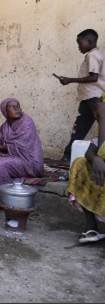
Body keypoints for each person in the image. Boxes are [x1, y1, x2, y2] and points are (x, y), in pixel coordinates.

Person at [0, 98, 44, 203]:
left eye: (18, 106)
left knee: (1, 166)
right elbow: (5, 148)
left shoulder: (27, 122)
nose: (17, 109)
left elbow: (18, 147)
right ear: (5, 111)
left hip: (29, 162)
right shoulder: (4, 127)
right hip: (12, 157)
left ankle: (8, 199)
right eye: (13, 107)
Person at [52, 29, 104, 167]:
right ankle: (67, 158)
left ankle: (98, 158)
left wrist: (70, 80)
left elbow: (93, 77)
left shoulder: (93, 55)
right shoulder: (91, 55)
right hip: (87, 99)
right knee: (78, 130)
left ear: (90, 41)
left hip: (95, 99)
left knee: (100, 128)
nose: (79, 47)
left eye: (80, 43)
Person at [67, 94, 105, 243]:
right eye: (96, 111)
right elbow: (93, 150)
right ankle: (91, 227)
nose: (94, 114)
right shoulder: (100, 128)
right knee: (80, 163)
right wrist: (95, 158)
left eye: (98, 111)